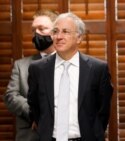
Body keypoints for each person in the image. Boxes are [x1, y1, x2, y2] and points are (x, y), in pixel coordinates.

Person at [27, 12, 113, 141]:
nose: (59, 36)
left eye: (65, 31)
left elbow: (103, 109)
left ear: (79, 38)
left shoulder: (97, 68)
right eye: (55, 31)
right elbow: (35, 106)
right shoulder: (38, 69)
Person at [2, 9, 58, 141]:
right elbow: (10, 96)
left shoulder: (72, 64)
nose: (36, 33)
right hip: (30, 136)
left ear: (56, 32)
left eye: (42, 28)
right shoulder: (20, 65)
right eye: (34, 30)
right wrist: (35, 113)